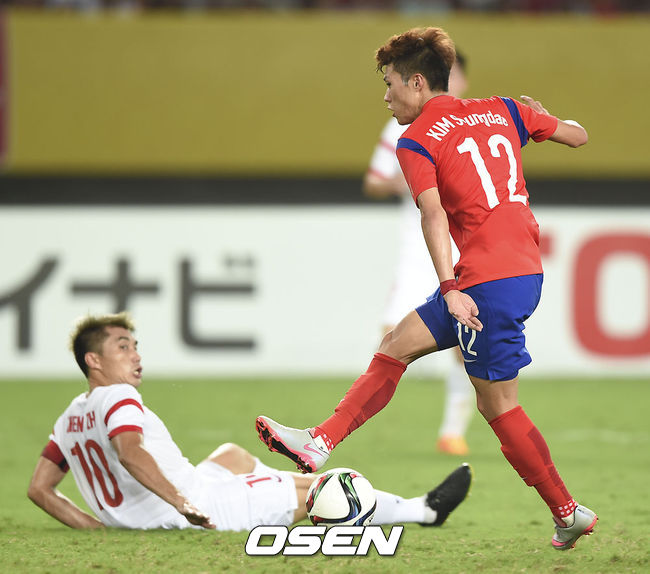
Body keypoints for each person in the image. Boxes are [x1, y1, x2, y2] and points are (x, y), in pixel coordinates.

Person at [256, 27, 597, 550]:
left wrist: (449, 286)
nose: (386, 95)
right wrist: (546, 116)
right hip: (516, 270)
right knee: (397, 344)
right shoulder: (504, 109)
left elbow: (432, 214)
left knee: (499, 407)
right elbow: (578, 136)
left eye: (390, 83)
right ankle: (319, 441)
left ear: (417, 82)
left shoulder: (416, 138)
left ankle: (567, 512)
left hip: (485, 284)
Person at [27, 311, 472, 531]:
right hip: (197, 504)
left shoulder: (71, 416)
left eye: (135, 345)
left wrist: (99, 529)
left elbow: (39, 489)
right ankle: (422, 510)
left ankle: (268, 484)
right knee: (327, 490)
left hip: (159, 505)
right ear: (93, 361)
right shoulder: (118, 396)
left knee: (232, 455)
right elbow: (129, 453)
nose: (135, 355)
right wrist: (182, 504)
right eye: (123, 347)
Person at [363, 50, 473, 456]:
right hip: (418, 247)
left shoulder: (473, 121)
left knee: (467, 340)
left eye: (456, 75)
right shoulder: (401, 125)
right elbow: (374, 181)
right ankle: (352, 422)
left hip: (461, 248)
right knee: (390, 337)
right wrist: (407, 181)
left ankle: (452, 432)